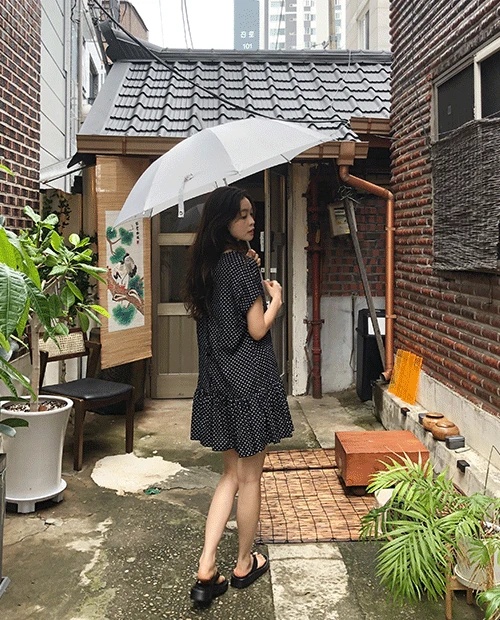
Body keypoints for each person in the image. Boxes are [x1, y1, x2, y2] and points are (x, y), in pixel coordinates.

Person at [184, 186, 294, 606]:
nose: (251, 220)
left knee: (229, 475)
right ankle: (244, 563)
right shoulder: (241, 268)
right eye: (242, 215)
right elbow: (257, 328)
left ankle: (206, 567)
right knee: (249, 478)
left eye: (252, 213)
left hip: (219, 382)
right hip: (249, 383)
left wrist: (249, 264)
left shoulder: (205, 266)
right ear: (223, 221)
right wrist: (276, 299)